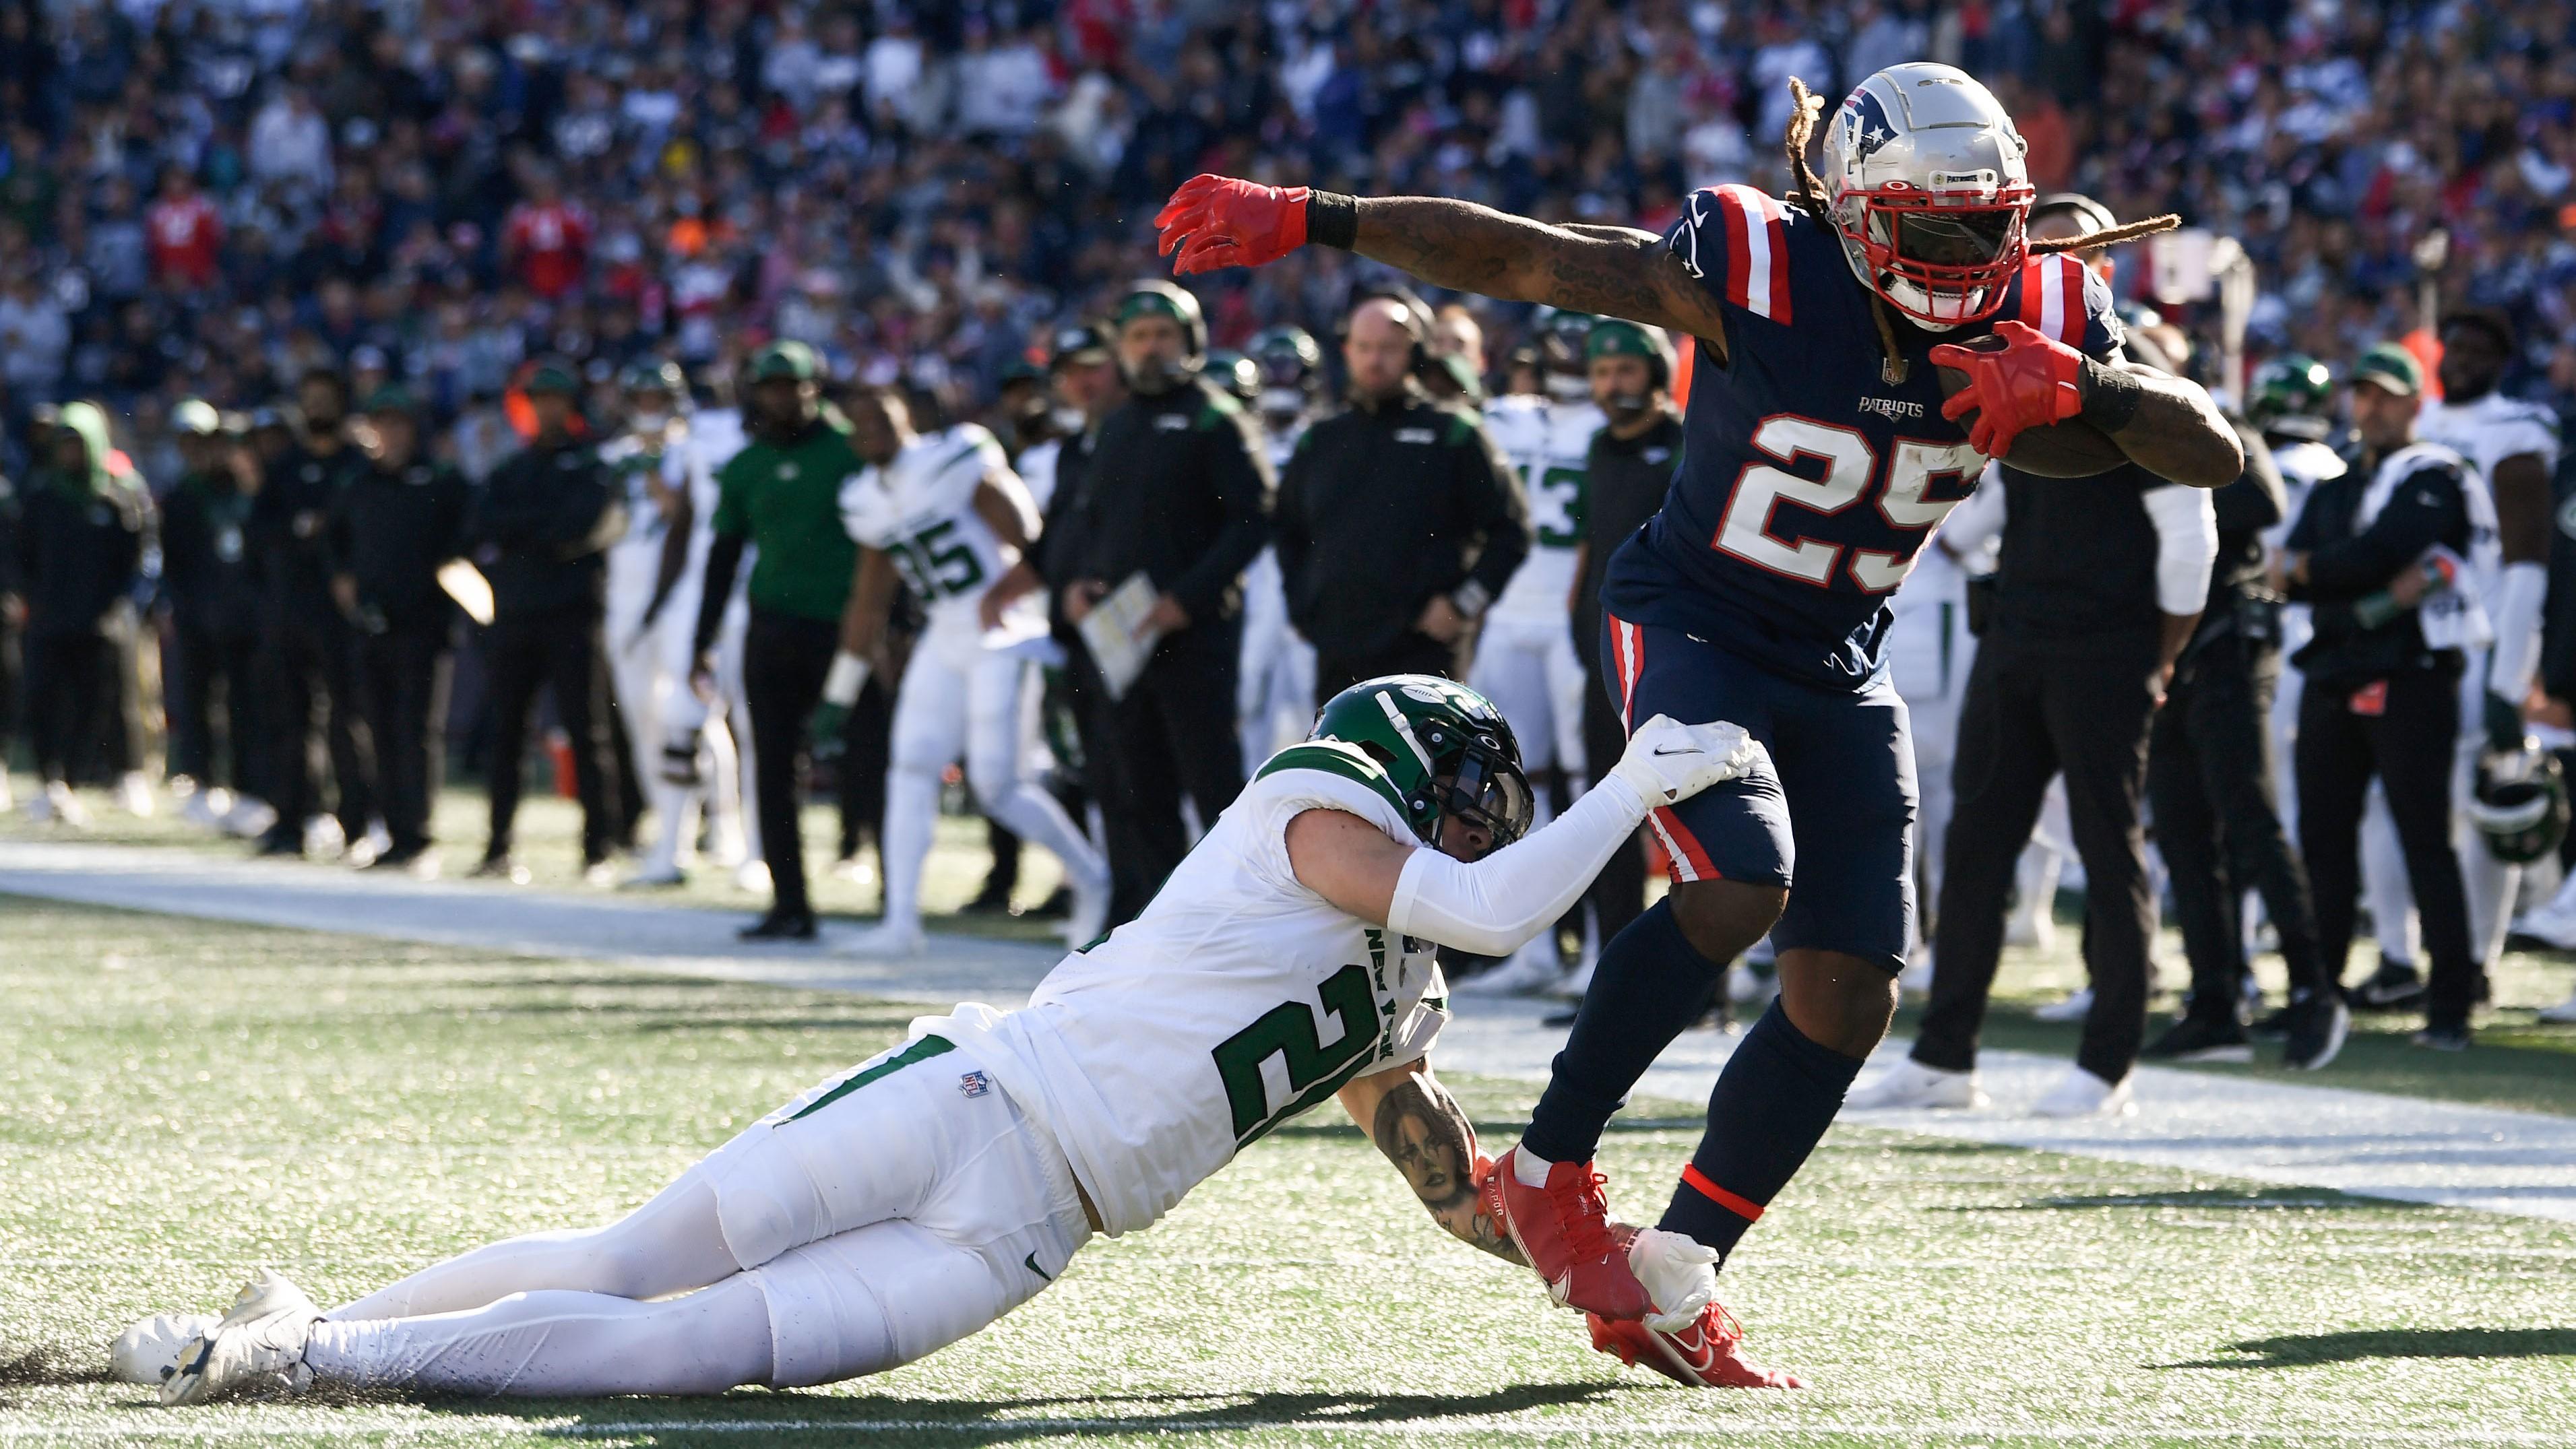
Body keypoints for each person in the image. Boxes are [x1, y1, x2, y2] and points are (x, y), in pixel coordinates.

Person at [1154, 62, 2241, 1367]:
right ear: (1846, 212)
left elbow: (2210, 448)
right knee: (1740, 878)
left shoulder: (2049, 295)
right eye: (1927, 224)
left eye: (1982, 221)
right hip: (1695, 617)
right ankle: (1550, 1164)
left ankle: (1674, 1268)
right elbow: (1540, 258)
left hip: (1841, 652)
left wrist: (2088, 392)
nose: (1961, 253)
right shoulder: (1759, 263)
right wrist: (1321, 214)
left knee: (1848, 993)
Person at [135, 683, 1774, 1404]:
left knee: (684, 1355)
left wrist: (1597, 1262)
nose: (1486, 821)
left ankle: (312, 1350)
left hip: (1028, 1232)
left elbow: (1449, 1184)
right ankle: (315, 1340)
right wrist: (1635, 786)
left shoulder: (1395, 996)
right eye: (1471, 788)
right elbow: (1490, 904)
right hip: (975, 1092)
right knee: (634, 1260)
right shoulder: (1310, 810)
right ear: (1404, 764)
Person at [1856, 195, 2222, 1118]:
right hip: (2016, 633)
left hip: (2108, 645)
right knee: (1975, 845)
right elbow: (1974, 514)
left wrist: (2160, 655)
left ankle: (2107, 1063)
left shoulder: (2129, 383)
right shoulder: (1998, 361)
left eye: (2069, 252)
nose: (2049, 266)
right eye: (2036, 250)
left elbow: (2190, 536)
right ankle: (1945, 1054)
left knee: (2108, 847)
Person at [820, 386, 1110, 956]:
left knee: (999, 785)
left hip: (1003, 632)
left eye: (882, 416)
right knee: (908, 767)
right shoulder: (864, 498)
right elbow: (868, 603)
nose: (871, 429)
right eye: (859, 422)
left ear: (908, 417)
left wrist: (1007, 593)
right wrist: (840, 690)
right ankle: (901, 921)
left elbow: (1037, 540)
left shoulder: (953, 459)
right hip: (944, 635)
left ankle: (1094, 879)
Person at [2354, 309, 2563, 1010]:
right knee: (2387, 799)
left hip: (2477, 639)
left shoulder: (2515, 428)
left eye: (2484, 349)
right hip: (2403, 636)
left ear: (2504, 361)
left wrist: (2510, 674)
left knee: (2482, 802)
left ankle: (2474, 959)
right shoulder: (2421, 419)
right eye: (2460, 346)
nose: (2467, 358)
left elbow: (2527, 557)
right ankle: (2395, 954)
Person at [2281, 346, 2487, 1051]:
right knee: (2323, 841)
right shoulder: (2340, 479)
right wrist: (2357, 586)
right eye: (2361, 393)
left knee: (2423, 836)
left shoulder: (2434, 473)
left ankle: (2452, 1004)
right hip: (2337, 667)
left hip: (2412, 673)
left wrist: (2332, 575)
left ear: (2413, 402)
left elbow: (2373, 555)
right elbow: (2299, 568)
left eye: (2384, 395)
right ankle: (2318, 992)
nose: (2369, 407)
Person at [1052, 282, 1271, 928]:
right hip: (1122, 637)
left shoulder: (1214, 418)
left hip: (1192, 636)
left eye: (1164, 336)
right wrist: (1080, 583)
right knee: (1126, 784)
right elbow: (1094, 525)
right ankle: (1138, 924)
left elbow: (1252, 523)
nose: (1151, 349)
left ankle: (1239, 920)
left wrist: (1188, 598)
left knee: (1212, 787)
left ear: (1194, 343)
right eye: (1140, 337)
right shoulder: (1116, 425)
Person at [2141, 397, 2345, 1068]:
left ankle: (2314, 988)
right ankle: (2215, 1001)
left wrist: (2159, 502)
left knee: (2250, 819)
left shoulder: (2210, 417)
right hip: (2165, 654)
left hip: (2229, 648)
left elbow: (2262, 503)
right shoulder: (2111, 433)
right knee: (2181, 833)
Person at [690, 342, 870, 940]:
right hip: (771, 624)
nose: (782, 396)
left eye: (792, 385)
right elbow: (723, 554)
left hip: (845, 627)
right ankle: (790, 901)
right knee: (772, 766)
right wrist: (702, 637)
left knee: (869, 755)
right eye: (770, 386)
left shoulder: (851, 449)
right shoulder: (745, 465)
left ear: (814, 387)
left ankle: (890, 895)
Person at [1274, 293, 1528, 700]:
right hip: (1338, 652)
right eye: (1364, 348)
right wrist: (1302, 607)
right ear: (1347, 351)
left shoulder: (1455, 434)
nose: (1375, 360)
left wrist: (1462, 604)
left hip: (1425, 658)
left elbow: (1511, 533)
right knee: (1341, 764)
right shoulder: (1321, 439)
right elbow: (1287, 531)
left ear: (1415, 353)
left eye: (1388, 348)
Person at [1466, 307, 1604, 996]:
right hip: (1509, 613)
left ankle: (1603, 944)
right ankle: (1538, 948)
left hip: (1572, 618)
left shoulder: (1619, 426)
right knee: (1515, 783)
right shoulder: (1506, 419)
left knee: (1591, 780)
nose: (1577, 357)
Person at [466, 362, 625, 884]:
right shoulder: (513, 469)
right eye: (539, 399)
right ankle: (498, 846)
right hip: (516, 612)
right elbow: (486, 523)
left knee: (587, 731)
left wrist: (526, 533)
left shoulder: (589, 465)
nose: (547, 408)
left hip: (573, 613)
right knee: (507, 732)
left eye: (555, 399)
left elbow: (577, 527)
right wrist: (540, 533)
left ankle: (598, 847)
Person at [1566, 319, 1687, 1000]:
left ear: (1656, 373)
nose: (1614, 386)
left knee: (1683, 818)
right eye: (1603, 372)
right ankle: (1614, 976)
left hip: (1668, 657)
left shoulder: (1685, 444)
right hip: (1603, 660)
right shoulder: (1598, 449)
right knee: (1606, 818)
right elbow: (1590, 546)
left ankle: (1698, 985)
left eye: (1627, 372)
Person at [599, 360, 745, 889]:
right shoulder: (614, 455)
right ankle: (667, 829)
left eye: (655, 397)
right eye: (638, 397)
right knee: (643, 717)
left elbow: (681, 519)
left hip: (688, 594)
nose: (647, 407)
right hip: (631, 593)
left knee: (695, 711)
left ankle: (724, 824)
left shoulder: (699, 447)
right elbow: (603, 527)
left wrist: (656, 471)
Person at [329, 387, 469, 875]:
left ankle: (419, 835)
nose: (389, 434)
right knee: (379, 730)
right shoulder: (358, 483)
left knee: (416, 733)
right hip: (370, 624)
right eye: (382, 423)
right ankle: (392, 831)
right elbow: (335, 540)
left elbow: (463, 542)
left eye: (399, 424)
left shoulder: (442, 481)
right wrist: (343, 579)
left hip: (424, 627)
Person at [251, 369, 375, 858]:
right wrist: (302, 530)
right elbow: (259, 533)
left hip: (339, 615)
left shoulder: (357, 465)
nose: (317, 408)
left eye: (326, 398)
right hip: (288, 611)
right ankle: (291, 821)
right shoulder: (285, 467)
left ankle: (357, 823)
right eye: (310, 399)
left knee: (349, 720)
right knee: (290, 720)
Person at [14, 401, 148, 827]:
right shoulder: (40, 497)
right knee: (45, 701)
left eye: (78, 444)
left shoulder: (115, 499)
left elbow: (136, 559)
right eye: (65, 444)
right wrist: (30, 599)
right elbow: (20, 556)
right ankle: (50, 779)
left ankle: (88, 776)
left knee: (101, 704)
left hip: (99, 624)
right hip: (49, 622)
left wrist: (120, 606)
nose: (71, 453)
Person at [158, 402, 266, 832]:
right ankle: (203, 781)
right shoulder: (185, 495)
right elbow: (175, 561)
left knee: (246, 705)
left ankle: (247, 786)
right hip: (198, 617)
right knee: (197, 702)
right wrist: (185, 607)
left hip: (246, 620)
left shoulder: (248, 493)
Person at [1236, 324, 1326, 772]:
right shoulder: (1239, 438)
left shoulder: (1327, 438)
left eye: (1287, 370)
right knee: (1243, 700)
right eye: (1270, 369)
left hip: (1306, 578)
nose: (1278, 379)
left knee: (1312, 709)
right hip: (1250, 579)